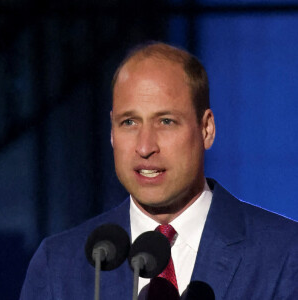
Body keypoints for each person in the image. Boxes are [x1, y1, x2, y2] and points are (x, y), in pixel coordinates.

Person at [20, 42, 298, 300]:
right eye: (129, 122)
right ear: (112, 132)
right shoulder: (58, 265)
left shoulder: (284, 254)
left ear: (206, 129)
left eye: (166, 121)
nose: (145, 147)